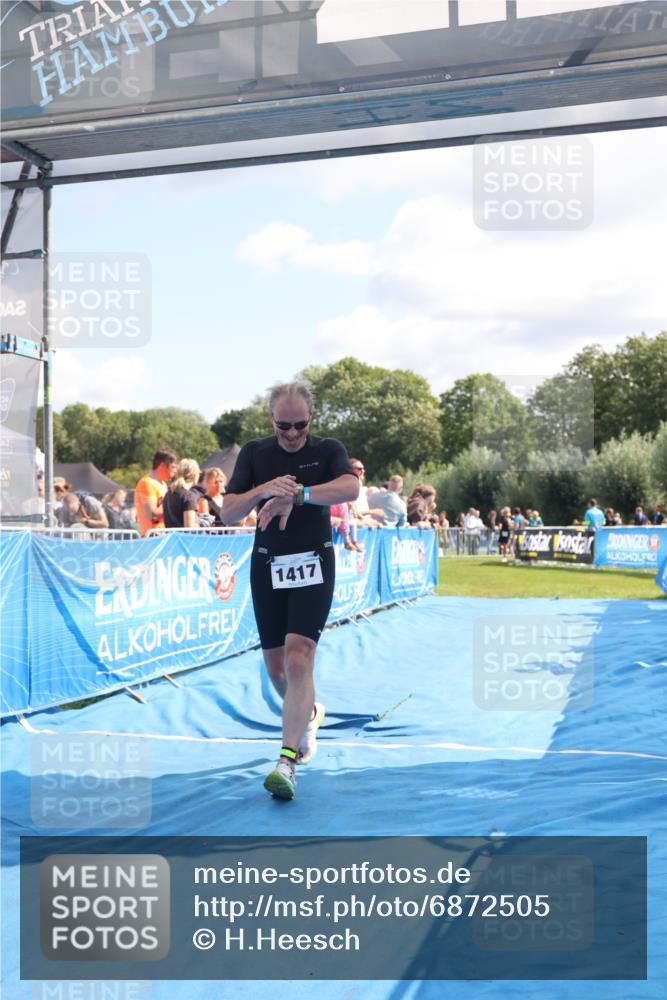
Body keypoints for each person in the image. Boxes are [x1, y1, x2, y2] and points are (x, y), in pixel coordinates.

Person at [222, 380, 360, 801]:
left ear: (310, 419)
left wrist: (298, 495)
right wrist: (265, 490)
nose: (293, 434)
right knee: (277, 670)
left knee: (300, 656)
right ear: (272, 420)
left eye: (300, 425)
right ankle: (310, 713)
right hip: (267, 566)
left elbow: (350, 488)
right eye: (285, 427)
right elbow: (228, 512)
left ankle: (287, 759)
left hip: (314, 564)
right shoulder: (254, 453)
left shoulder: (327, 449)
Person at [134, 448, 178, 536]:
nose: (175, 471)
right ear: (162, 466)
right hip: (150, 537)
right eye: (173, 467)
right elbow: (151, 514)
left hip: (160, 535)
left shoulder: (163, 484)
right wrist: (173, 504)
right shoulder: (147, 483)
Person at [163, 458, 200, 529]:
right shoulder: (189, 496)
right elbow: (190, 528)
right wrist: (201, 525)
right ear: (195, 475)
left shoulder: (168, 493)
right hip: (185, 539)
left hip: (172, 538)